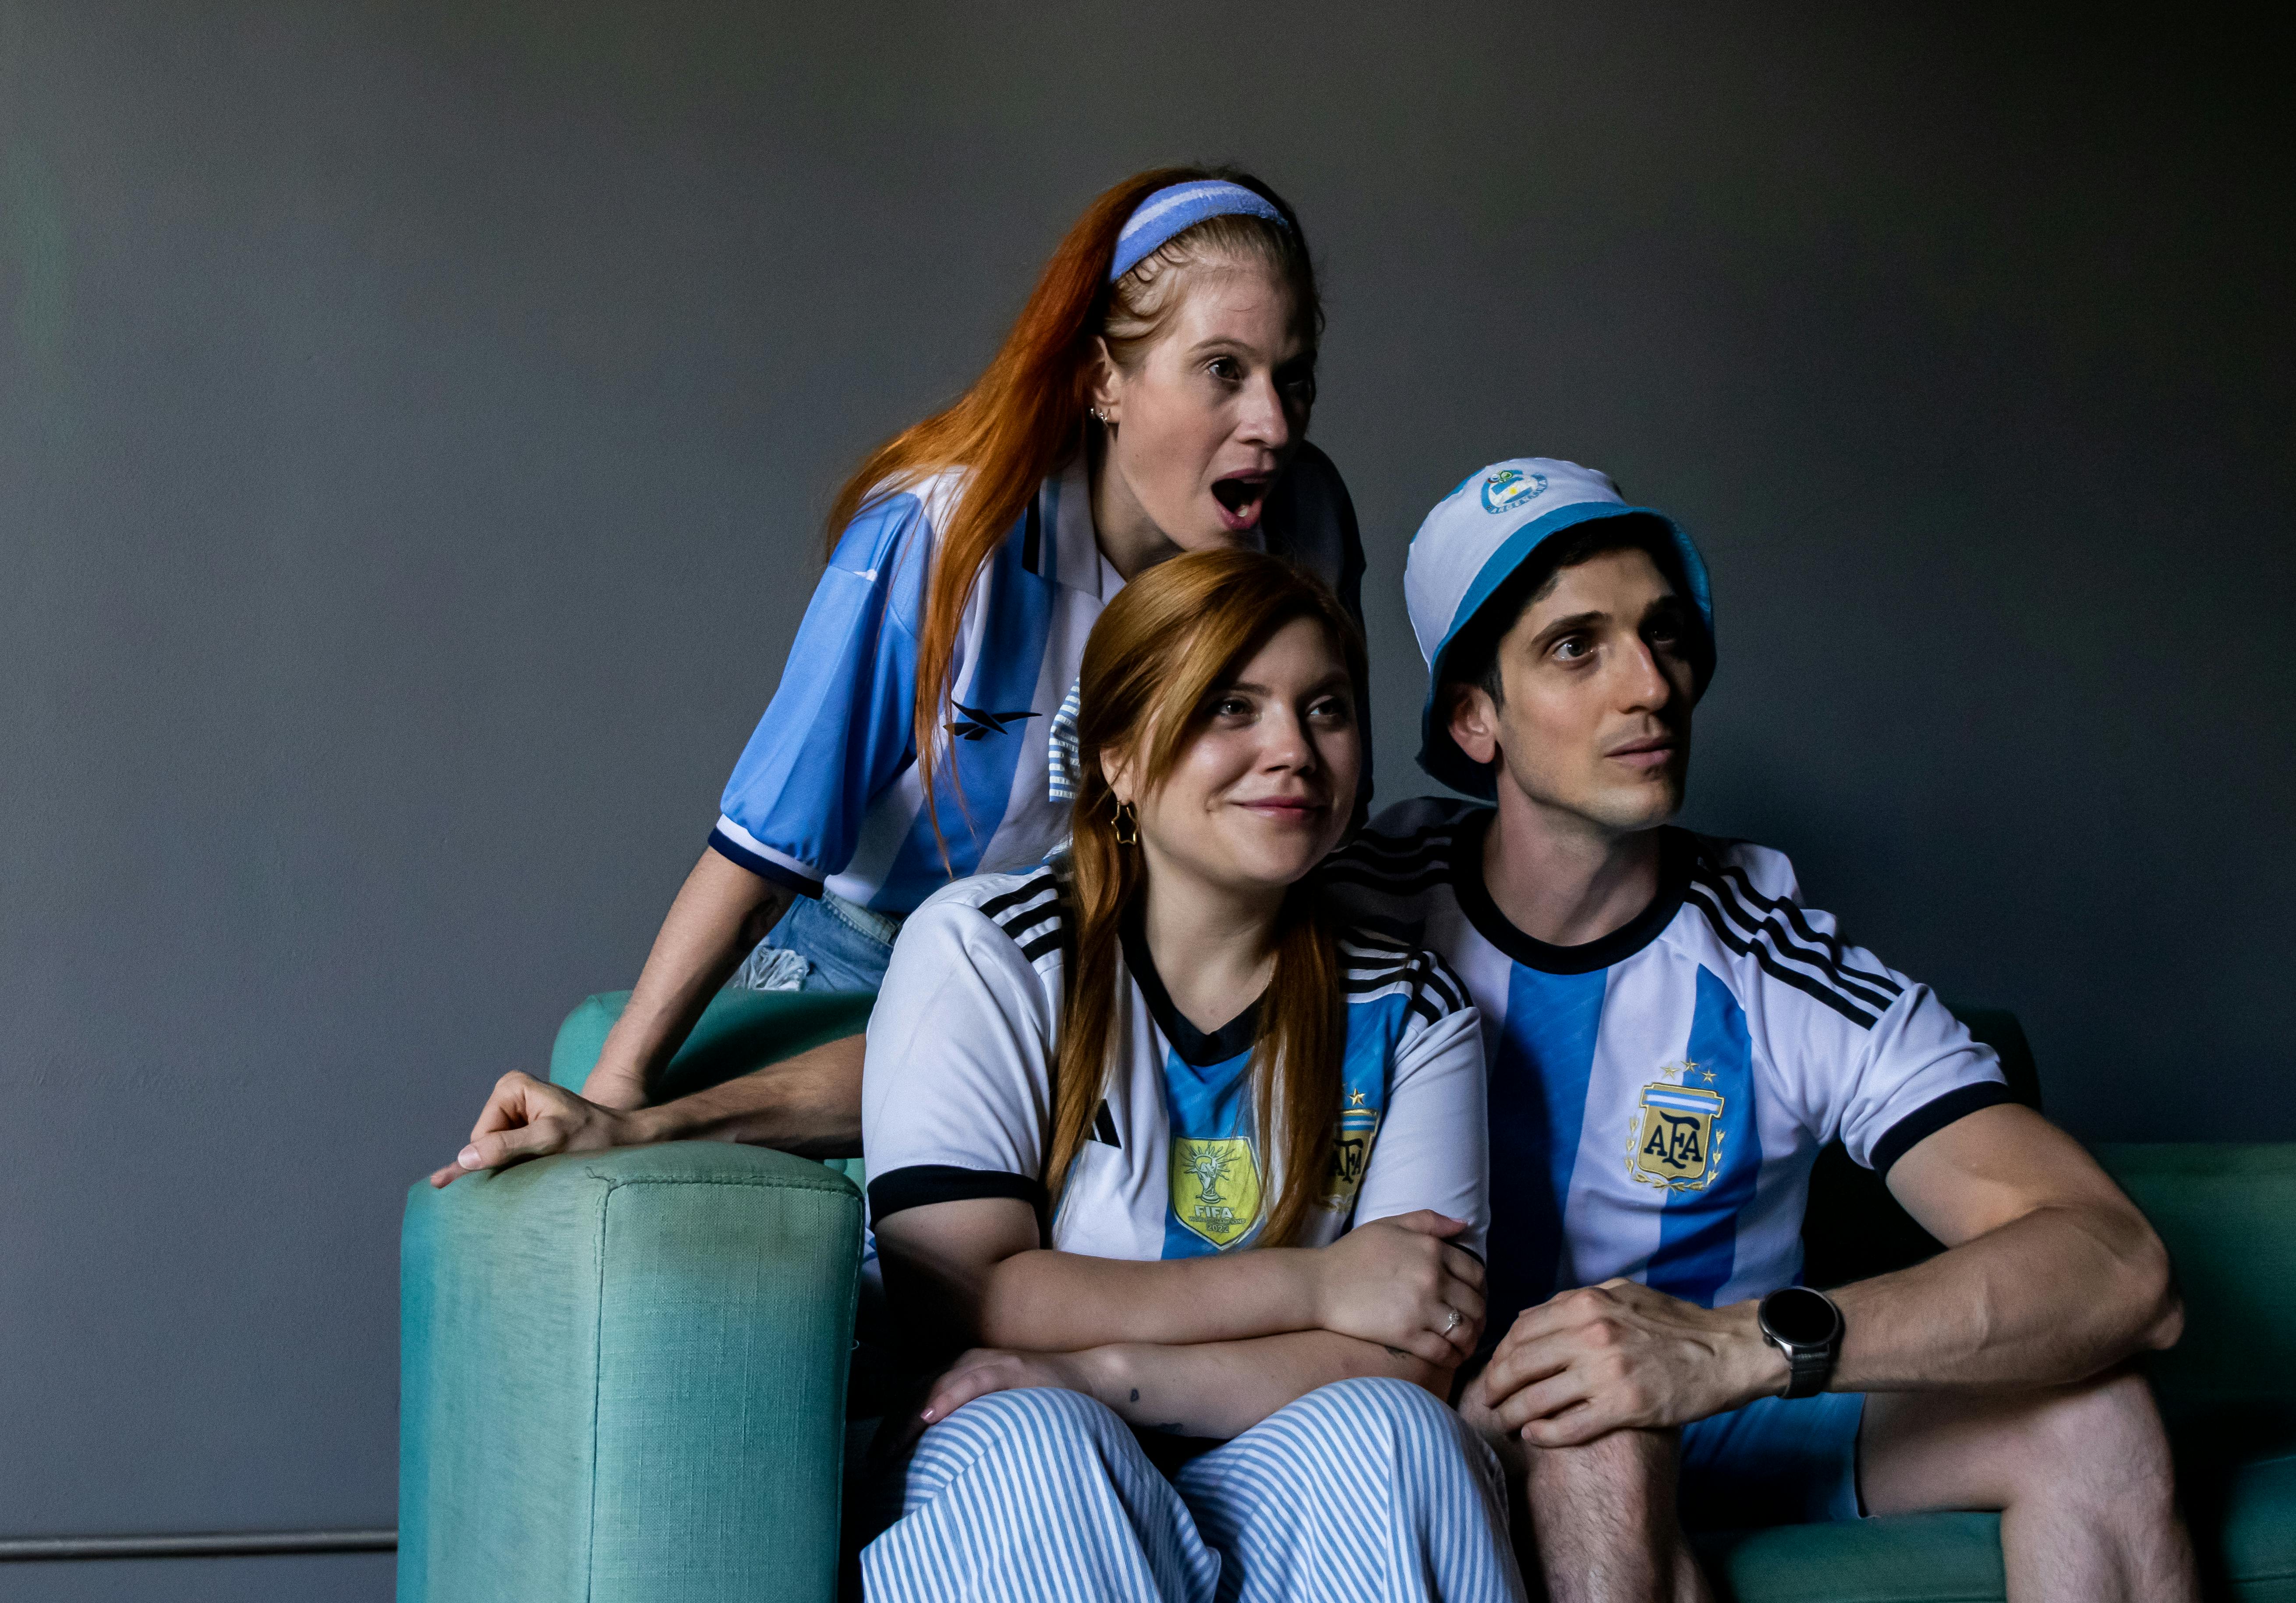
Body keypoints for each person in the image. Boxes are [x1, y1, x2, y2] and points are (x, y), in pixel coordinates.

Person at [1322, 459, 2194, 1603]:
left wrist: (1738, 1345)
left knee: (2098, 1418)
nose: (1649, 686)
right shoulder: (1352, 907)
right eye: (1576, 647)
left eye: (1663, 634)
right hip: (1446, 1424)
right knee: (1590, 1419)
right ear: (1472, 718)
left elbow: (2119, 1266)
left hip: (1725, 1409)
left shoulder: (1771, 956)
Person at [431, 167, 1363, 1187]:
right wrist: (617, 1090)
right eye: (1222, 369)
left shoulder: (1304, 524)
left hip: (1081, 976)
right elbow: (766, 846)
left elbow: (1317, 793)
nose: (1273, 424)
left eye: (1293, 378)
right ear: (1103, 378)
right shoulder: (939, 536)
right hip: (857, 966)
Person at [857, 549, 1520, 1603]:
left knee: (1398, 1434)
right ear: (1118, 756)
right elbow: (963, 1297)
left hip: (1256, 1444)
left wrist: (1102, 1369)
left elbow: (1412, 1350)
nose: (1292, 751)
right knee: (1036, 1439)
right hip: (1009, 1437)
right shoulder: (986, 950)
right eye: (1230, 707)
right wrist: (1317, 1287)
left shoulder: (1413, 1008)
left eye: (1325, 709)